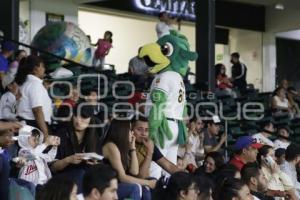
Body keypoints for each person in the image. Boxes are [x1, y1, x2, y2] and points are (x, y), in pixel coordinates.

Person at [51, 105, 104, 192]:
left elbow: (100, 167)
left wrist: (95, 165)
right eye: (76, 115)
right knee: (81, 173)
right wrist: (68, 160)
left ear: (90, 119)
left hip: (87, 180)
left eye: (83, 117)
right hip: (63, 180)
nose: (78, 120)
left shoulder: (94, 137)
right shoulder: (62, 134)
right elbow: (52, 168)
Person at [102, 119, 157, 200]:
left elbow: (134, 172)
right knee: (135, 187)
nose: (132, 134)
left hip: (118, 184)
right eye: (130, 130)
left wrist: (132, 148)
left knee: (146, 186)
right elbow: (122, 177)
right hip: (106, 187)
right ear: (122, 131)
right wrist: (148, 183)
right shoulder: (111, 146)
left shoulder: (124, 147)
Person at [16, 55, 52, 138]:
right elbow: (37, 110)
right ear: (36, 69)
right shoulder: (35, 84)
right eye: (42, 66)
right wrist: (45, 134)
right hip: (35, 126)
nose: (44, 69)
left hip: (29, 125)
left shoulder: (27, 84)